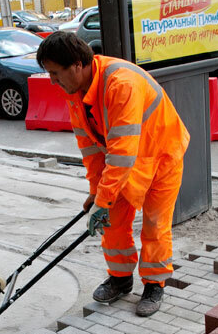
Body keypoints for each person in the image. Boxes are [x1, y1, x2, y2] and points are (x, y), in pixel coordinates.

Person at [36, 32, 190, 317]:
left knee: (155, 225)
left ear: (77, 65)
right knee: (113, 223)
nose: (52, 81)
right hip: (125, 160)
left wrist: (103, 200)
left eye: (56, 73)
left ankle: (155, 284)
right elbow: (91, 149)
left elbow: (121, 152)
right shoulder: (75, 93)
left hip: (160, 155)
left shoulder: (121, 84)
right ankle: (120, 279)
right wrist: (97, 193)